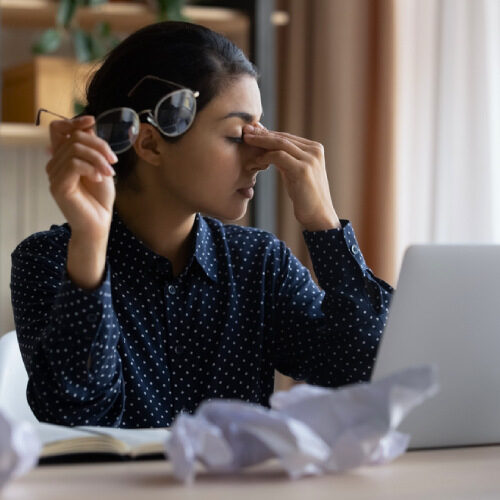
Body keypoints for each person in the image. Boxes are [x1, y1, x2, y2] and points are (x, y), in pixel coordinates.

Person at [10, 21, 393, 428]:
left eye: (258, 130)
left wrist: (324, 224)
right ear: (151, 143)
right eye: (237, 135)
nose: (260, 156)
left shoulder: (259, 263)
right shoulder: (49, 261)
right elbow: (76, 415)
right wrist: (89, 241)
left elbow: (367, 371)